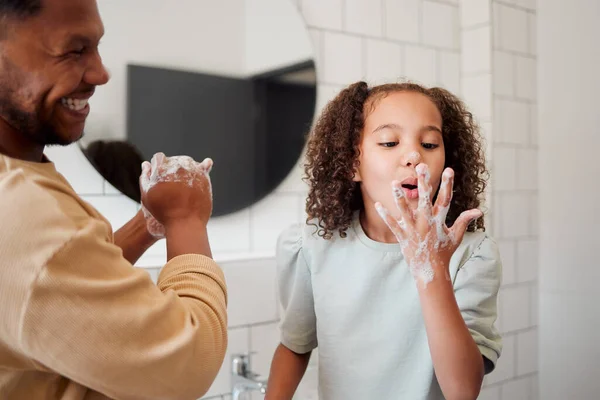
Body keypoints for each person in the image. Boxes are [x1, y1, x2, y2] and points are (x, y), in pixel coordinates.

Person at [0, 1, 227, 399]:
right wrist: (185, 218)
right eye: (74, 50)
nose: (101, 73)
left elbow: (63, 291)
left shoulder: (20, 180)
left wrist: (147, 224)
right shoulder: (23, 210)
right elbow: (190, 361)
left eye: (96, 46)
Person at [265, 81, 503, 400]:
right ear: (352, 162)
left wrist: (430, 270)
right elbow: (295, 346)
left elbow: (463, 390)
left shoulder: (471, 253)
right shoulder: (313, 245)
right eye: (390, 142)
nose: (414, 155)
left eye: (430, 144)